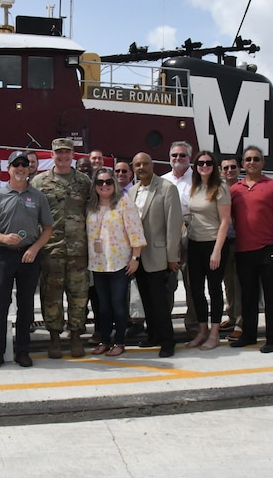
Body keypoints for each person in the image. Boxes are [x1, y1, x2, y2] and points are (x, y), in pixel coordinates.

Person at [0, 151, 54, 369]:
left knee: (26, 305)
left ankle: (23, 350)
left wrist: (34, 248)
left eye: (24, 164)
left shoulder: (38, 196)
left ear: (29, 169)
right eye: (16, 164)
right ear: (9, 169)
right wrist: (3, 238)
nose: (21, 168)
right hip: (4, 255)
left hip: (28, 256)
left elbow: (48, 228)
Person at [31, 138, 92, 358]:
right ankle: (54, 337)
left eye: (67, 153)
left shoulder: (85, 181)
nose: (63, 157)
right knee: (51, 296)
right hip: (51, 250)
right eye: (59, 153)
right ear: (52, 155)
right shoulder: (39, 182)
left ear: (73, 155)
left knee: (78, 295)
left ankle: (75, 335)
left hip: (79, 251)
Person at [229, 145, 273, 353]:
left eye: (256, 159)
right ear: (242, 164)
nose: (252, 163)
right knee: (247, 296)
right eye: (248, 159)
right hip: (244, 250)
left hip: (269, 249)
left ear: (263, 163)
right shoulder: (234, 190)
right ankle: (248, 334)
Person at [87, 168, 146, 356]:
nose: (104, 185)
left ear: (114, 184)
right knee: (103, 305)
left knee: (118, 304)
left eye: (108, 182)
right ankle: (105, 340)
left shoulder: (124, 203)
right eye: (100, 182)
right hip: (98, 264)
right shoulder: (91, 206)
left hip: (119, 263)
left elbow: (136, 232)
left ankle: (119, 342)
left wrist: (135, 258)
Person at [129, 152, 182, 357]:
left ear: (152, 165)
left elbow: (173, 225)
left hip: (159, 255)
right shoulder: (132, 191)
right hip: (138, 256)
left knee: (160, 302)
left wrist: (172, 257)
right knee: (146, 300)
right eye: (137, 165)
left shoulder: (167, 188)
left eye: (145, 164)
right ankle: (153, 335)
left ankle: (167, 341)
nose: (141, 167)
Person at [184, 151, 231, 351]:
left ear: (214, 166)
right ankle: (202, 331)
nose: (204, 166)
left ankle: (214, 333)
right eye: (200, 162)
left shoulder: (220, 188)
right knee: (196, 290)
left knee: (214, 289)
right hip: (194, 243)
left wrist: (217, 251)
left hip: (213, 243)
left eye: (208, 162)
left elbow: (225, 222)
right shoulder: (195, 187)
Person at [161, 141, 198, 334]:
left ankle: (193, 325)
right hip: (169, 234)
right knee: (167, 284)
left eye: (182, 155)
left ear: (189, 158)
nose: (178, 159)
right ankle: (164, 325)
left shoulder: (199, 179)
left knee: (193, 284)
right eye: (174, 155)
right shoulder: (162, 181)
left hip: (193, 234)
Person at [219, 157, 243, 341]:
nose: (229, 170)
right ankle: (232, 315)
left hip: (241, 241)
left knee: (240, 282)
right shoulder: (219, 190)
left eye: (233, 167)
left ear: (239, 168)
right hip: (224, 241)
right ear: (221, 171)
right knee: (228, 282)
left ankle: (240, 323)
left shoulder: (243, 189)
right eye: (226, 168)